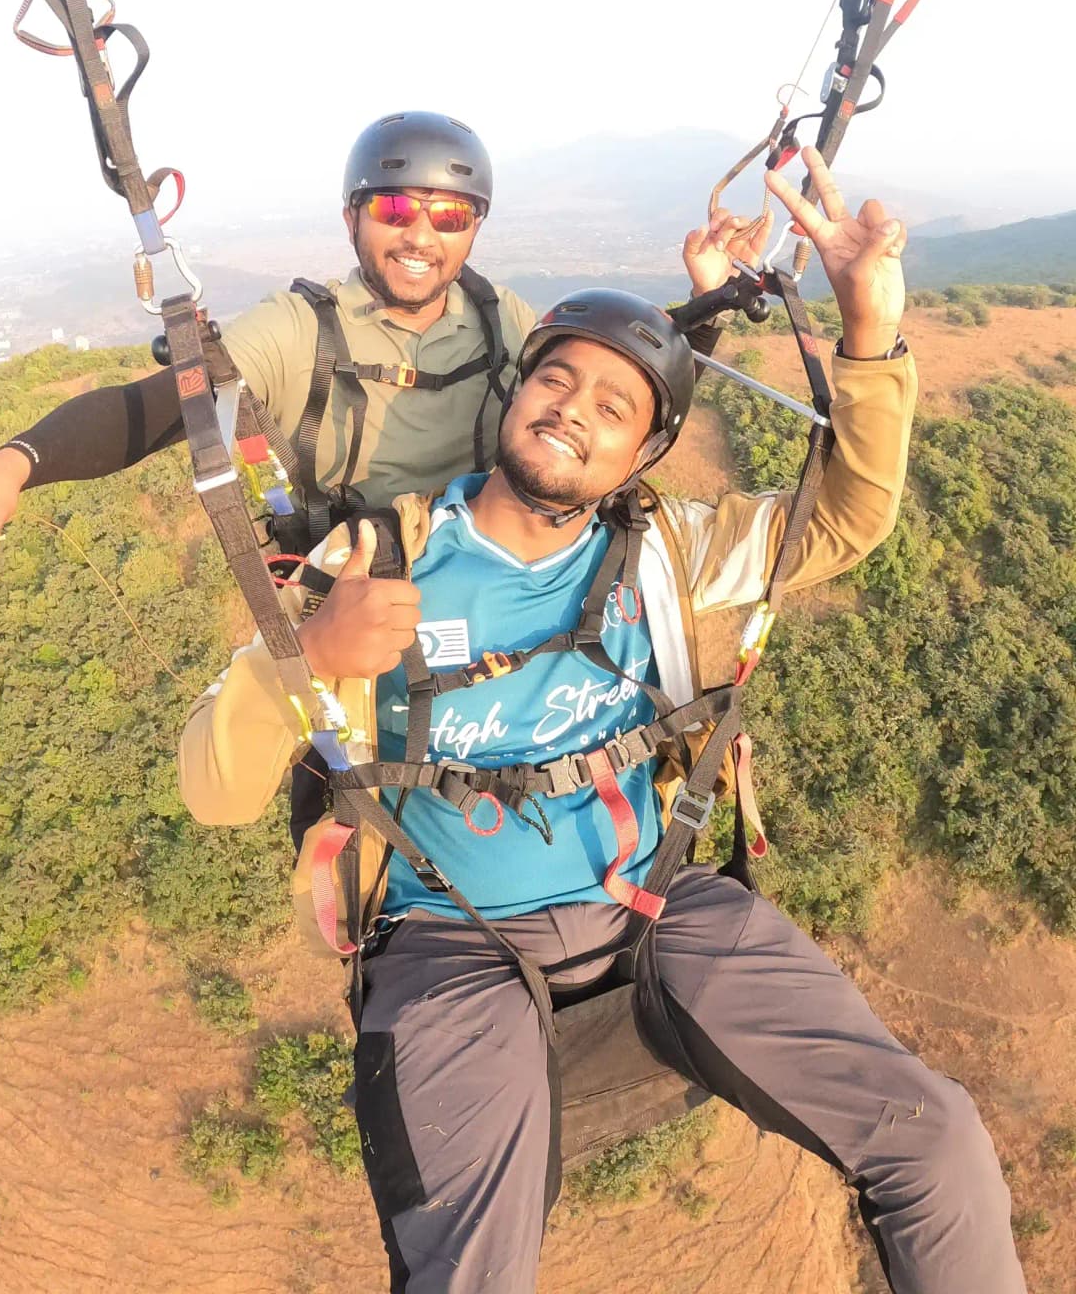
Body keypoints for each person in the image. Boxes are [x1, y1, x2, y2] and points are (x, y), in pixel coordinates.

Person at [176, 153, 1023, 1294]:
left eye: (616, 406)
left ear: (646, 454)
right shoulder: (382, 556)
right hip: (450, 936)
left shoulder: (669, 550)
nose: (575, 409)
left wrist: (868, 334)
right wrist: (307, 660)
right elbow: (214, 790)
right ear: (514, 398)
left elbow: (845, 519)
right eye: (555, 383)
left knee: (936, 1138)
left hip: (659, 895)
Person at [0, 110, 769, 568]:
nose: (419, 236)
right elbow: (169, 405)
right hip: (354, 579)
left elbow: (619, 393)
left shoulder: (500, 314)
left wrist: (705, 308)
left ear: (474, 229)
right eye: (396, 210)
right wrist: (13, 464)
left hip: (494, 559)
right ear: (352, 218)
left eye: (449, 215)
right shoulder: (302, 328)